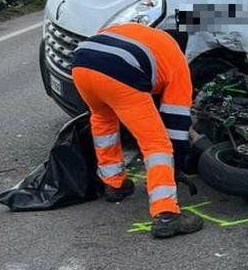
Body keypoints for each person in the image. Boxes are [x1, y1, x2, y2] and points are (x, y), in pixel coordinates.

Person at [71, 22, 203, 239]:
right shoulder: (178, 61)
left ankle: (114, 184)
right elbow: (176, 124)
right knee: (156, 143)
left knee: (103, 121)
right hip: (119, 71)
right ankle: (166, 214)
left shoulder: (139, 31)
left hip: (82, 63)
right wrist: (177, 166)